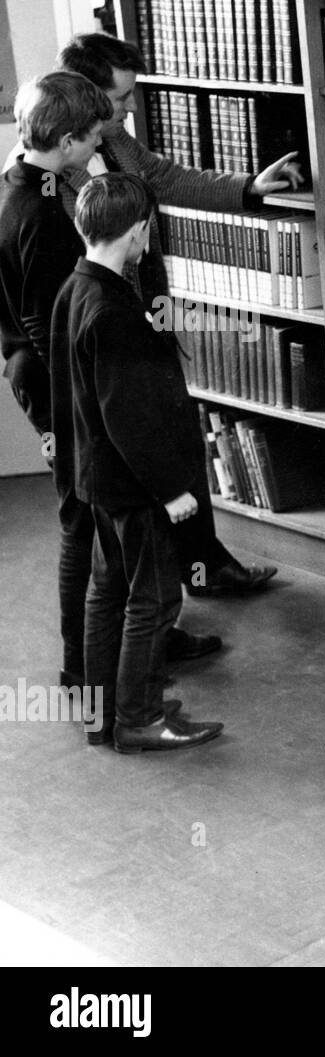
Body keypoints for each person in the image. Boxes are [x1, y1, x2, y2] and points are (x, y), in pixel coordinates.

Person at [55, 32, 298, 596]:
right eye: (120, 97)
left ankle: (203, 567)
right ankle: (151, 612)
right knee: (130, 468)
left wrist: (249, 188)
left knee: (176, 434)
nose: (130, 108)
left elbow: (165, 178)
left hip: (145, 314)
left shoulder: (115, 141)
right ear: (85, 96)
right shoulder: (49, 178)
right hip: (103, 332)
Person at [0, 72, 219, 691]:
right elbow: (52, 329)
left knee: (99, 545)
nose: (103, 139)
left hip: (54, 386)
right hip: (61, 393)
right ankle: (96, 675)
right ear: (67, 142)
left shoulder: (15, 187)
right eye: (94, 134)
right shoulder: (44, 217)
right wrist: (70, 416)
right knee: (87, 533)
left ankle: (112, 663)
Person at [50, 172, 223, 753]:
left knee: (107, 591)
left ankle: (104, 715)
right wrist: (171, 489)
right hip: (133, 486)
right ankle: (141, 718)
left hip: (93, 481)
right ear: (136, 232)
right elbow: (129, 418)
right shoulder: (115, 310)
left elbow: (70, 398)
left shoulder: (73, 291)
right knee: (156, 598)